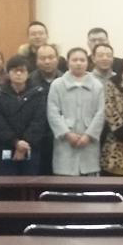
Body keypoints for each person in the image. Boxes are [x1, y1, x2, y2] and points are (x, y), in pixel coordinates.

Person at [48, 47, 106, 176]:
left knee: (89, 183)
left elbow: (100, 113)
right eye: (74, 60)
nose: (78, 63)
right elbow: (53, 113)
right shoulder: (57, 84)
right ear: (68, 62)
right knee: (65, 183)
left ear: (88, 62)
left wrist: (88, 135)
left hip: (89, 142)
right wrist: (67, 133)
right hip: (65, 142)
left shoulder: (97, 85)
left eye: (82, 60)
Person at [0, 54, 49, 176]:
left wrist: (25, 143)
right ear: (8, 73)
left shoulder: (38, 94)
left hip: (31, 147)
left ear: (28, 73)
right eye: (14, 71)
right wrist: (15, 142)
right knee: (7, 185)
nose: (18, 74)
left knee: (30, 184)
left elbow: (39, 121)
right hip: (6, 148)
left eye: (22, 71)